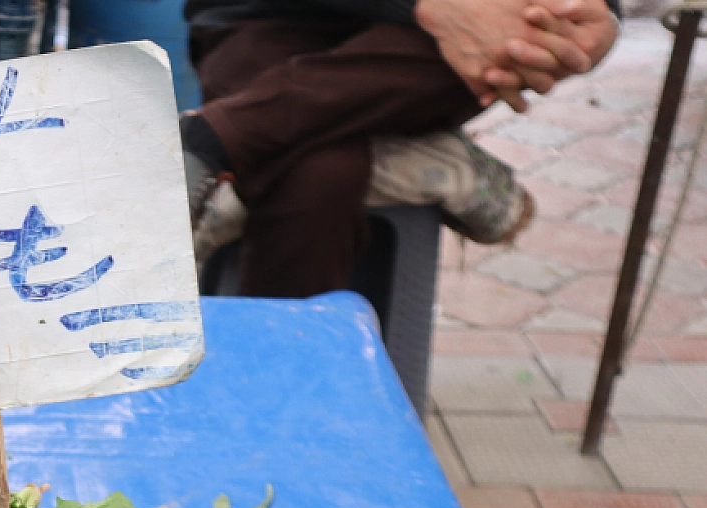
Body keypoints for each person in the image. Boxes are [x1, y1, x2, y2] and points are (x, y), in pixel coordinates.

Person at [180, 0, 622, 298]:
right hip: (267, 17)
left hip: (431, 50)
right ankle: (293, 399)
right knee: (320, 174)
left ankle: (212, 140)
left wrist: (590, 20)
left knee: (513, 38)